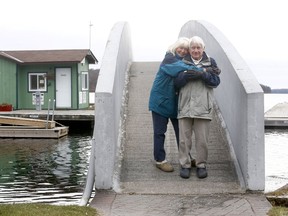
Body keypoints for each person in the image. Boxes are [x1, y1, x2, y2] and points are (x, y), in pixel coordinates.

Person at [148, 37, 207, 172]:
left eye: (186, 49)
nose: (182, 50)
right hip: (160, 102)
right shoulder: (169, 59)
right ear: (175, 47)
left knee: (181, 133)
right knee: (159, 132)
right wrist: (201, 69)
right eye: (180, 47)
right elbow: (180, 68)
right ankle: (160, 160)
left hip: (175, 103)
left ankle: (186, 157)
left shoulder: (183, 62)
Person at [174, 36, 221, 179]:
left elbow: (215, 82)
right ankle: (185, 165)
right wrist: (187, 75)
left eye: (198, 47)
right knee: (184, 139)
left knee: (202, 140)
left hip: (203, 107)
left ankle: (201, 165)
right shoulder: (181, 61)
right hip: (185, 106)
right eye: (193, 47)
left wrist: (203, 74)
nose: (195, 50)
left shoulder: (210, 62)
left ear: (203, 49)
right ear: (190, 49)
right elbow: (176, 83)